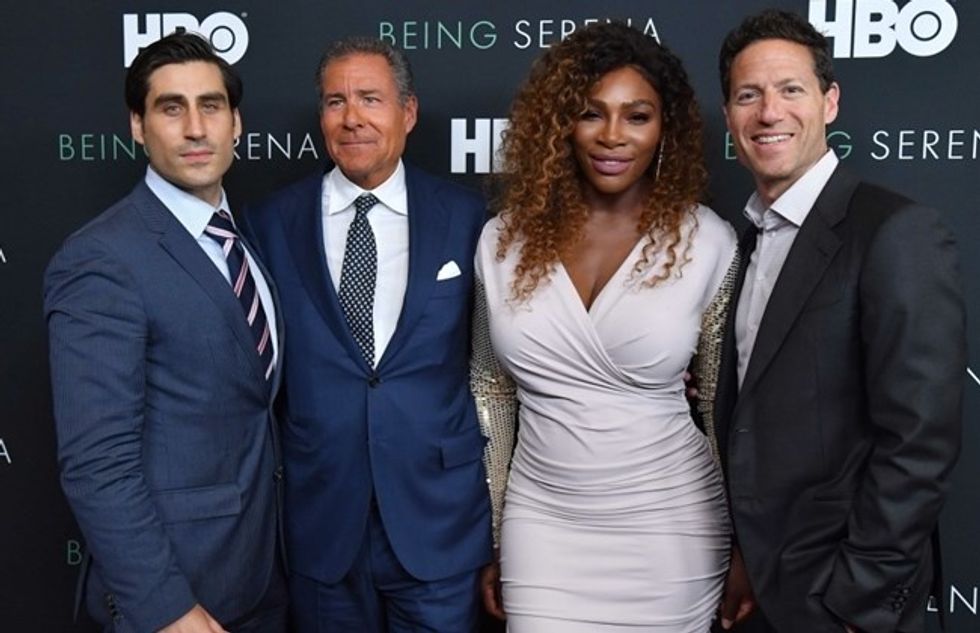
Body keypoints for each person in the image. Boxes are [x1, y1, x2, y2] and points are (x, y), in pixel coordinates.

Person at [473, 22, 738, 632]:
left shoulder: (707, 242)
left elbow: (720, 405)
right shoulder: (502, 242)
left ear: (665, 128)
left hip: (672, 527)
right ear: (560, 125)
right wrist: (495, 533)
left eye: (637, 116)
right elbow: (491, 390)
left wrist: (743, 544)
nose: (613, 135)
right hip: (542, 523)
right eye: (591, 113)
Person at [714, 9, 965, 633]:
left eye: (790, 90)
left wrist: (860, 599)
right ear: (729, 116)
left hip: (843, 599)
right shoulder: (737, 242)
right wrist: (745, 556)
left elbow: (919, 439)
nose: (769, 112)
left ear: (829, 102)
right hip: (758, 589)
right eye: (748, 96)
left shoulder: (895, 232)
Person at [241, 38, 490, 632]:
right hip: (322, 523)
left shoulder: (467, 218)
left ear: (408, 112)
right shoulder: (270, 224)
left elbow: (499, 360)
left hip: (438, 523)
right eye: (336, 101)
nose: (351, 117)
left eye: (370, 99)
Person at [44, 32, 287, 633]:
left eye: (211, 106)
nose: (196, 129)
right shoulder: (102, 258)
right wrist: (167, 609)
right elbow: (97, 464)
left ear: (236, 123)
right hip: (176, 598)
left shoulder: (243, 240)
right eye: (171, 108)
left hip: (265, 577)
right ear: (138, 125)